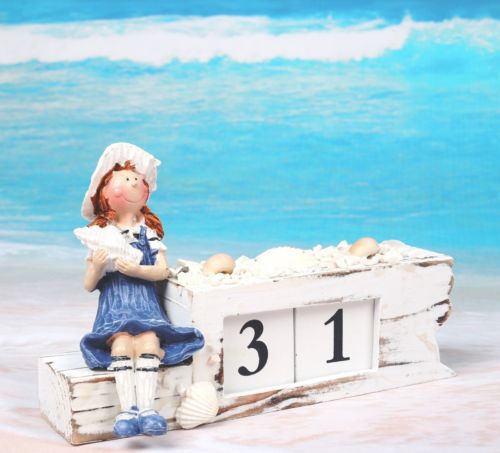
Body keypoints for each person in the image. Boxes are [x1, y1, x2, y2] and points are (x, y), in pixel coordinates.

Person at [74, 143, 204, 438]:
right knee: (121, 345)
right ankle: (127, 410)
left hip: (145, 304)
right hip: (115, 306)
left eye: (137, 179)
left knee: (148, 341)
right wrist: (97, 266)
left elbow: (162, 271)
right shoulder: (101, 235)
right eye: (125, 179)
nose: (134, 182)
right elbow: (88, 285)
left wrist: (137, 270)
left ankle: (147, 410)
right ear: (104, 193)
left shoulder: (148, 232)